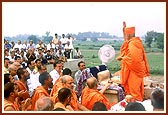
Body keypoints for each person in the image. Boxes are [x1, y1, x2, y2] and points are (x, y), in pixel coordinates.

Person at [116, 22, 150, 101]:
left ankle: (136, 107)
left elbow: (134, 59)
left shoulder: (133, 44)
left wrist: (123, 58)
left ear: (129, 35)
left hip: (134, 71)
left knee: (134, 91)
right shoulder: (133, 41)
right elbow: (126, 42)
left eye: (126, 34)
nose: (125, 36)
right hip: (132, 70)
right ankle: (132, 106)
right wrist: (123, 29)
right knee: (132, 90)